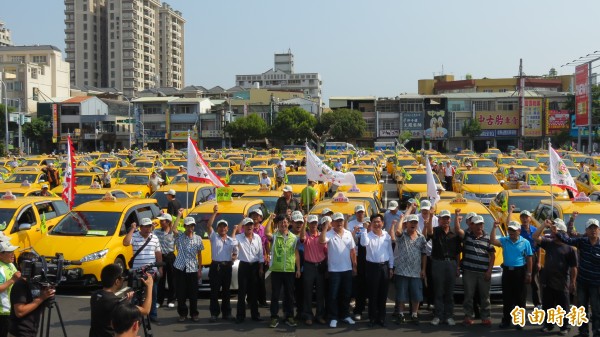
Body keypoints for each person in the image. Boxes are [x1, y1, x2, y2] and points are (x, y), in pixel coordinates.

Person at [533, 218, 577, 335]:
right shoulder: (549, 243)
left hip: (562, 281)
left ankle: (565, 326)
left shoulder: (569, 248)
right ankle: (549, 325)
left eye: (556, 231)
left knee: (564, 305)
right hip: (547, 280)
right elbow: (535, 237)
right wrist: (543, 225)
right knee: (548, 304)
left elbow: (573, 267)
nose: (553, 233)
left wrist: (573, 282)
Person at [453, 212, 495, 326]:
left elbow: (493, 256)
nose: (479, 227)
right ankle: (468, 316)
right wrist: (457, 217)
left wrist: (489, 271)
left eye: (481, 224)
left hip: (483, 272)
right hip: (469, 272)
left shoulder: (488, 238)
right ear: (472, 225)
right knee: (468, 296)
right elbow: (457, 230)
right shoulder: (467, 235)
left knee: (485, 296)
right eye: (476, 224)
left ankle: (486, 317)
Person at [89, 264, 153, 337]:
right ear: (117, 281)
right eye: (122, 278)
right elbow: (146, 310)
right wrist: (150, 287)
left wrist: (126, 302)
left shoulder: (95, 295)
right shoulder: (117, 302)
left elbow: (108, 307)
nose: (123, 279)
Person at [490, 220, 532, 330]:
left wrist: (529, 273)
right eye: (509, 230)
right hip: (507, 272)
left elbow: (529, 258)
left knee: (520, 298)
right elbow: (493, 240)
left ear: (519, 231)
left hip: (520, 272)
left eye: (513, 230)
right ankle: (506, 321)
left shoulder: (525, 242)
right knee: (507, 297)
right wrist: (494, 227)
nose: (511, 232)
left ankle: (520, 321)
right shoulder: (505, 240)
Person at [319, 213, 357, 328]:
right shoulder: (329, 234)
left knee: (346, 294)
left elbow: (352, 251)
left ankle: (345, 315)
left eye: (341, 220)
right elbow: (321, 241)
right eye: (337, 221)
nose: (339, 223)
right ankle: (333, 317)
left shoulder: (348, 233)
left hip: (347, 269)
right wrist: (325, 227)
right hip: (334, 270)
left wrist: (354, 266)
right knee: (333, 295)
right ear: (333, 223)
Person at [122, 217, 163, 323]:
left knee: (152, 293)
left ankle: (153, 315)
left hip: (151, 271)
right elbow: (126, 242)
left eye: (149, 226)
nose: (148, 228)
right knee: (136, 295)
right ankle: (137, 316)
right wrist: (132, 229)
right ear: (140, 227)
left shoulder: (154, 237)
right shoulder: (134, 236)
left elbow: (158, 254)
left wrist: (160, 268)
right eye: (145, 226)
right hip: (137, 271)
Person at [565, 217, 600, 337]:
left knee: (596, 310)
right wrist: (555, 232)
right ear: (586, 230)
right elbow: (568, 239)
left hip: (596, 284)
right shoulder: (582, 241)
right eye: (590, 228)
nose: (593, 230)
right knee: (581, 309)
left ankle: (597, 332)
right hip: (582, 283)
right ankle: (583, 332)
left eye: (595, 228)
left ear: (599, 230)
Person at [425, 209, 461, 326]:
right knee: (438, 291)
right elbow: (429, 232)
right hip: (438, 263)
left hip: (451, 263)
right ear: (439, 220)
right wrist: (431, 216)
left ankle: (449, 316)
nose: (445, 220)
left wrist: (457, 267)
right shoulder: (435, 231)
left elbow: (457, 253)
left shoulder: (455, 233)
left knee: (450, 292)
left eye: (447, 218)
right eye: (443, 218)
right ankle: (438, 316)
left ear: (450, 220)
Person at [391, 211, 427, 325]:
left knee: (416, 295)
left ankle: (414, 314)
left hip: (416, 271)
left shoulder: (421, 237)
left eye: (415, 222)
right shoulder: (402, 236)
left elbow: (424, 254)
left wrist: (423, 269)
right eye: (411, 222)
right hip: (402, 271)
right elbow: (397, 231)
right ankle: (401, 314)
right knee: (401, 295)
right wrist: (402, 219)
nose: (413, 224)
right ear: (406, 224)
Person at [9, 252, 56, 337]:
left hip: (32, 331)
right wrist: (41, 298)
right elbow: (19, 312)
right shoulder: (20, 284)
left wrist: (48, 296)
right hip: (20, 333)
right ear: (21, 266)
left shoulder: (36, 283)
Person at [206, 205, 238, 322]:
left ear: (227, 228)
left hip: (227, 267)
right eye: (220, 226)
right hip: (216, 267)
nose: (222, 228)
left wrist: (233, 258)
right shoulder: (214, 237)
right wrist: (214, 213)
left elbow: (235, 252)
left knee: (226, 292)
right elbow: (209, 225)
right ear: (218, 228)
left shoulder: (231, 240)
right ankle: (214, 314)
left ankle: (227, 313)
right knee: (214, 291)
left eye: (224, 227)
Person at [361, 213, 393, 327]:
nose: (377, 224)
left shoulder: (387, 236)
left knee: (383, 294)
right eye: (374, 222)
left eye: (379, 222)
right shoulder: (367, 235)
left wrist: (391, 267)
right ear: (371, 223)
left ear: (383, 223)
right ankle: (372, 318)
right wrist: (365, 229)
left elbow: (390, 252)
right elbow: (363, 243)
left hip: (384, 266)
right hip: (372, 267)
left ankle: (382, 317)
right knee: (372, 293)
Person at [268, 214, 301, 328]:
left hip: (289, 269)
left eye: (285, 222)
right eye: (281, 222)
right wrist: (270, 220)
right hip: (277, 270)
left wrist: (298, 268)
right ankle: (274, 317)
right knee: (275, 295)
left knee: (289, 295)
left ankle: (289, 316)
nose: (284, 224)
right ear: (278, 224)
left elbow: (296, 253)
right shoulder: (275, 236)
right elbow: (267, 233)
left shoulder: (294, 237)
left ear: (289, 223)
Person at [172, 217, 204, 322]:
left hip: (193, 268)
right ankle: (182, 313)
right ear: (185, 226)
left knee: (193, 294)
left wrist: (200, 269)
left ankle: (194, 313)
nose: (191, 227)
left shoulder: (198, 238)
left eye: (192, 225)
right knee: (181, 293)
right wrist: (179, 214)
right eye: (189, 225)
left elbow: (199, 254)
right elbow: (174, 228)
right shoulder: (180, 237)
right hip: (180, 267)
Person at [235, 217, 264, 323]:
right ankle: (240, 316)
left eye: (251, 224)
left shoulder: (257, 238)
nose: (249, 227)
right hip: (244, 266)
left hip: (255, 267)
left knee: (254, 292)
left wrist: (261, 268)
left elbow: (260, 253)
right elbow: (233, 239)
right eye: (247, 225)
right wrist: (241, 221)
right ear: (243, 227)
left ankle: (255, 315)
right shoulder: (238, 237)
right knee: (242, 293)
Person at [300, 214, 327, 326]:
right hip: (309, 266)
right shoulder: (306, 235)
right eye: (311, 223)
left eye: (315, 223)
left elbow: (326, 251)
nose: (314, 225)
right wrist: (305, 222)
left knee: (321, 293)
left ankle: (320, 315)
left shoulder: (322, 235)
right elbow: (301, 238)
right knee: (308, 292)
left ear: (318, 224)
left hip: (320, 266)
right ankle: (308, 315)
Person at [513, 207, 542, 309]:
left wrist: (539, 262)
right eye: (522, 217)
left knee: (534, 281)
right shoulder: (518, 230)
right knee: (521, 281)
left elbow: (538, 247)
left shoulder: (535, 230)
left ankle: (537, 303)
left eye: (526, 217)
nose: (525, 219)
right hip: (521, 257)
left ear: (530, 218)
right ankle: (521, 304)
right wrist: (510, 212)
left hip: (533, 257)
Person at [348, 204, 368, 321]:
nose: (361, 214)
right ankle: (356, 302)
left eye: (362, 212)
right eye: (359, 212)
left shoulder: (369, 222)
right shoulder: (351, 224)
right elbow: (350, 241)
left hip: (369, 257)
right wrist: (354, 233)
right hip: (356, 256)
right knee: (357, 281)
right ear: (356, 213)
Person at [416, 199, 437, 310]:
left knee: (431, 279)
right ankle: (419, 301)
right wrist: (425, 225)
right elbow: (422, 237)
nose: (425, 212)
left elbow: (433, 235)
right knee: (419, 278)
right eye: (423, 210)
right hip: (419, 253)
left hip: (431, 254)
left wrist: (430, 221)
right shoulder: (416, 219)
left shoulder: (436, 220)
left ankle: (431, 301)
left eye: (427, 210)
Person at [154, 213, 176, 309]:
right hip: (160, 257)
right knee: (160, 279)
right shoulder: (157, 231)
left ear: (168, 222)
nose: (160, 222)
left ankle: (171, 299)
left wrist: (179, 214)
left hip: (170, 256)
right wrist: (152, 227)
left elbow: (175, 226)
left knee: (172, 279)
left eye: (162, 220)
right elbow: (149, 234)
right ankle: (159, 300)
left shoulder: (173, 232)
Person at [0, 241, 20, 337]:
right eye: (9, 252)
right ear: (1, 255)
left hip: (11, 309)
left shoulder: (10, 264)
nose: (13, 254)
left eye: (13, 251)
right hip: (2, 312)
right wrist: (13, 279)